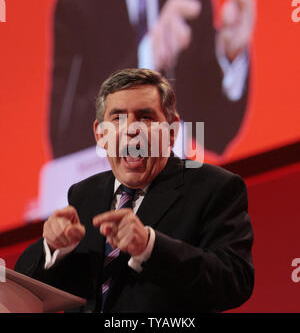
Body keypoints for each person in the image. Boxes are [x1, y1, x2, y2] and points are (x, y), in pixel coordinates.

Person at [15, 68, 254, 313]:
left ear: (172, 132)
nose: (131, 129)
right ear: (100, 134)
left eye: (145, 117)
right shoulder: (84, 193)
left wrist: (150, 247)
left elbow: (235, 281)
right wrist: (53, 248)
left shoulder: (213, 188)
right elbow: (24, 291)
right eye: (118, 118)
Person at [49, 0, 255, 158]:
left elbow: (214, 133)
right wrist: (146, 58)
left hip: (179, 187)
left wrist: (229, 57)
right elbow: (64, 139)